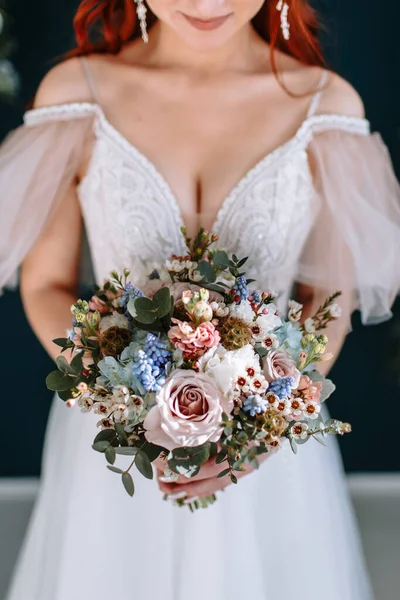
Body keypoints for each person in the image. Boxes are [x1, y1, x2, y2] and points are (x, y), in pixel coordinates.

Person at [1, 0, 399, 598]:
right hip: (114, 442)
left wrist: (264, 430)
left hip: (270, 443)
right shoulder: (77, 93)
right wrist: (127, 404)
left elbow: (326, 302)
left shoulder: (325, 106)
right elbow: (44, 285)